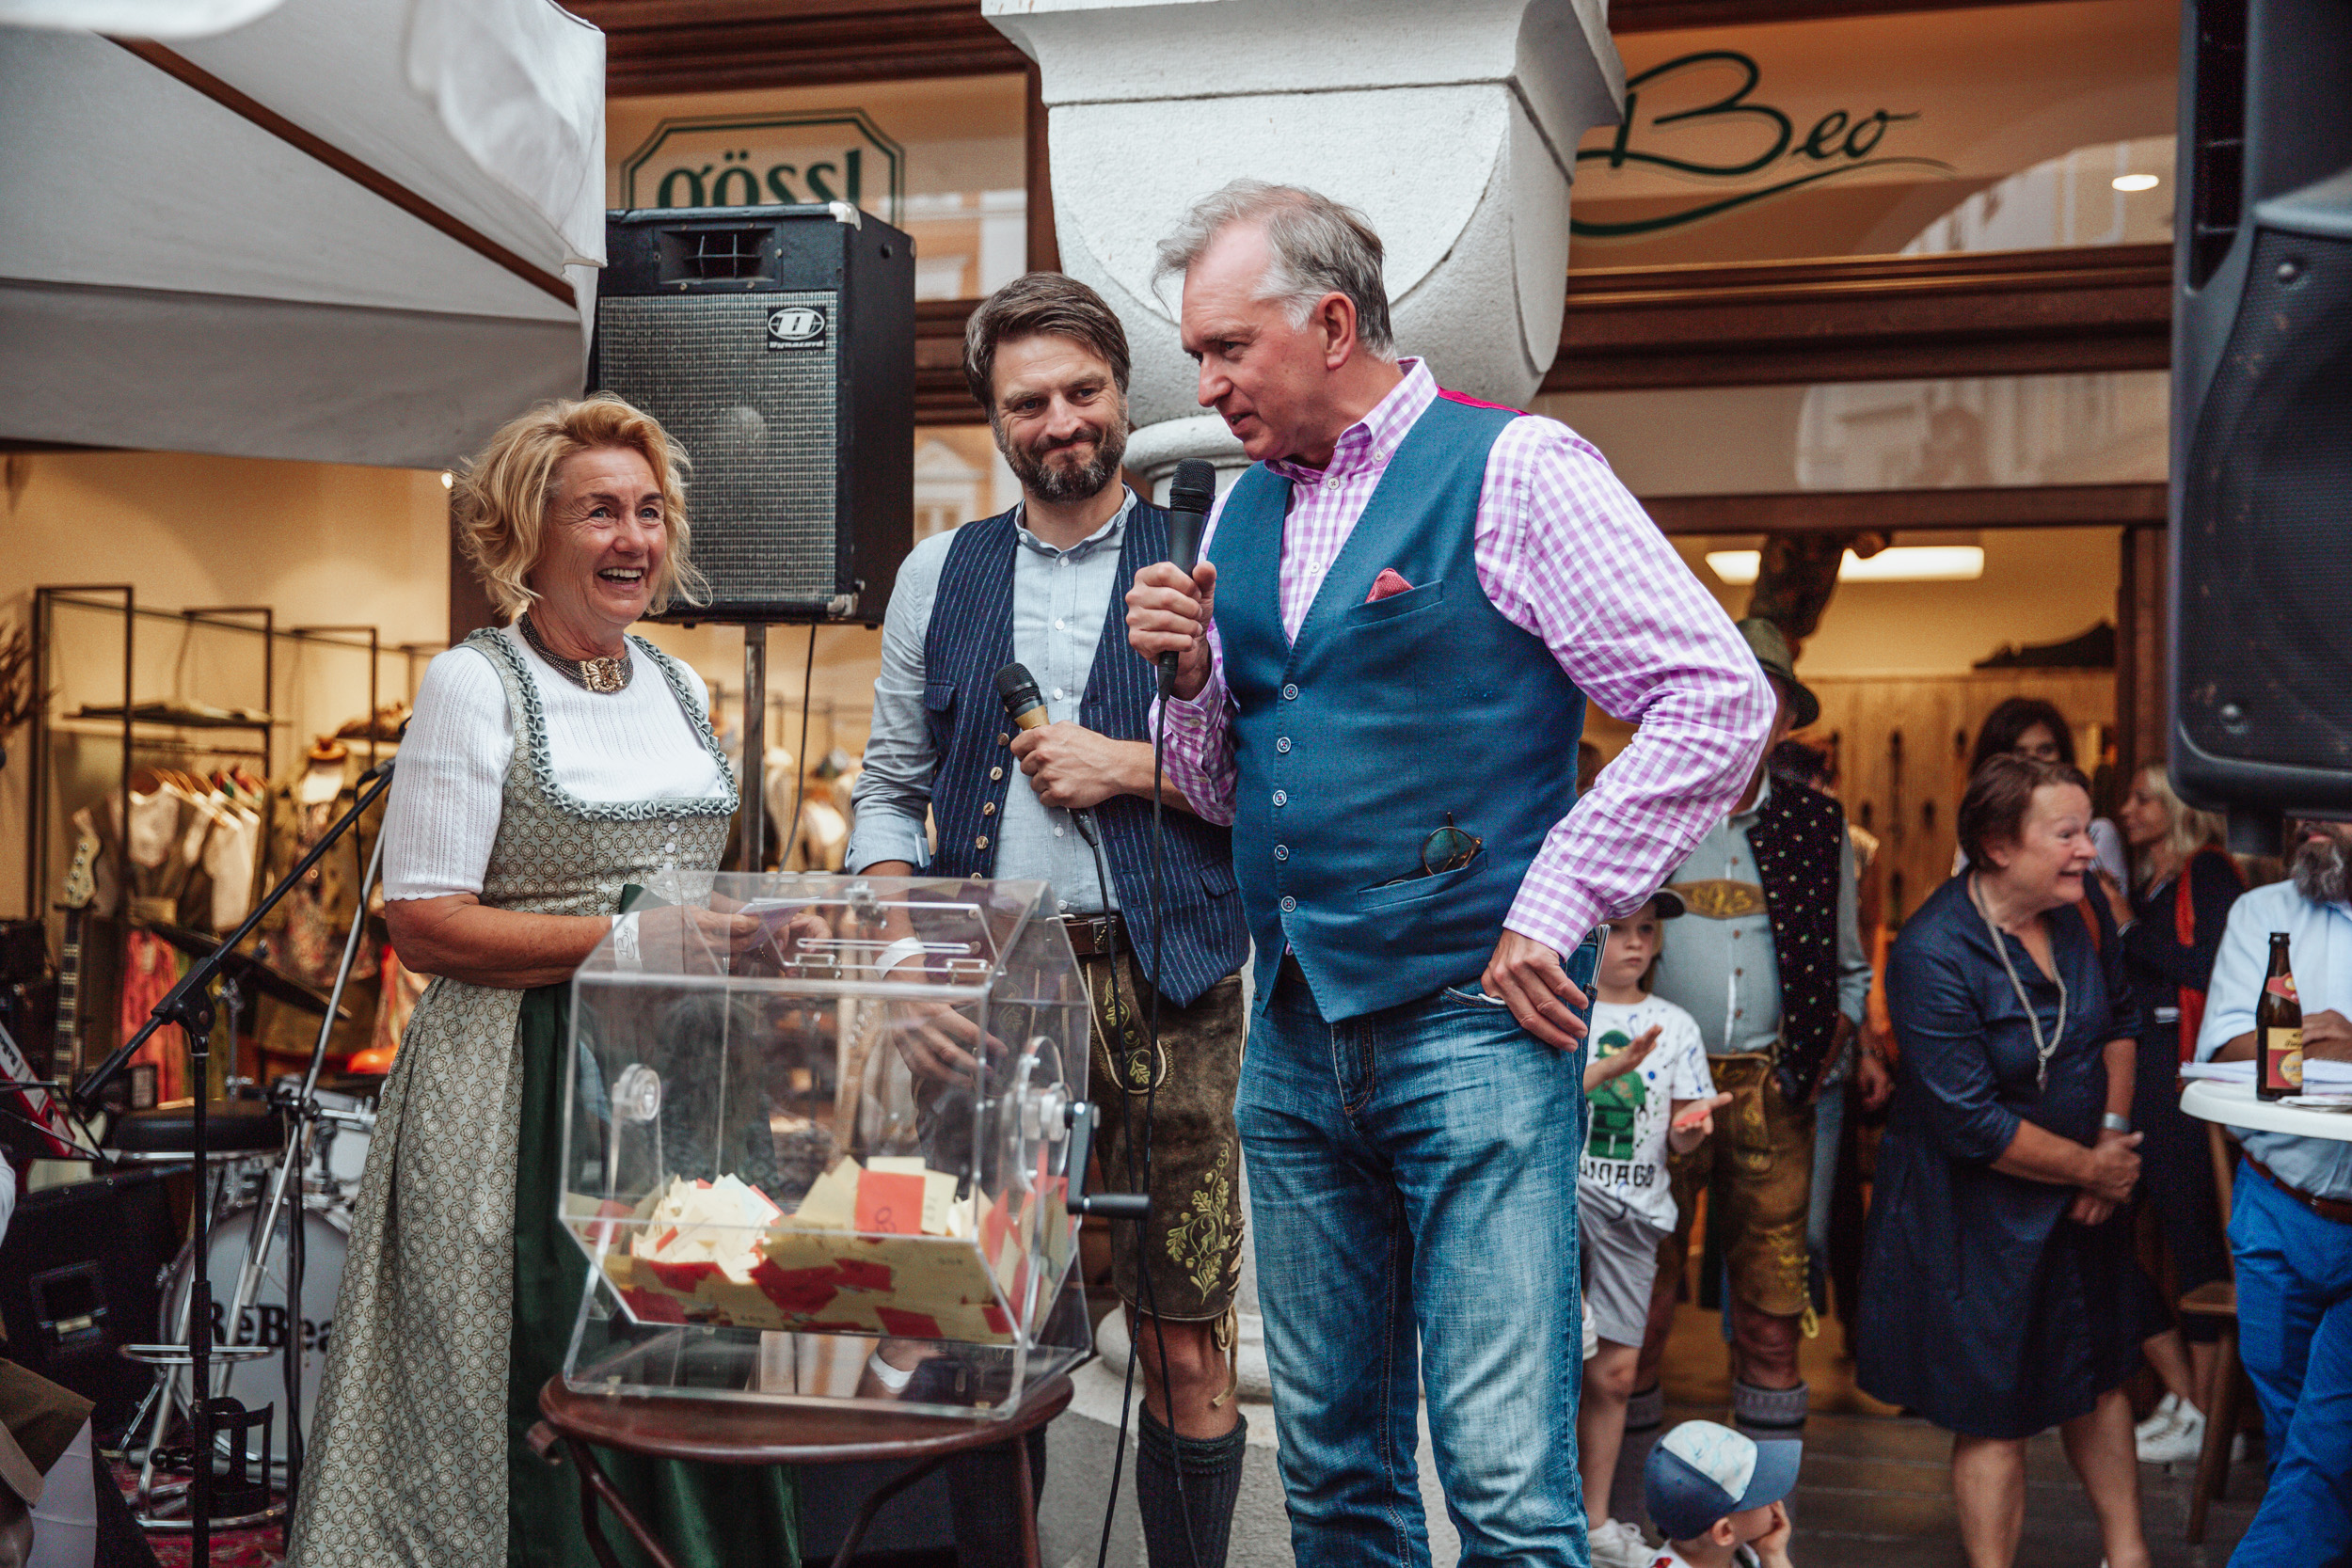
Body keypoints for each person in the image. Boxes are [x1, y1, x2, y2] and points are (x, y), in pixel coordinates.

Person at [1125, 180, 1775, 1566]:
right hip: (1294, 1031)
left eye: (1227, 347)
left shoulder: (1518, 468)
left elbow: (1717, 698)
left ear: (1332, 324)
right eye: (1197, 354)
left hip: (1473, 1029)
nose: (1207, 383)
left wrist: (1556, 904)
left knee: (1503, 1491)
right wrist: (1186, 685)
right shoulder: (1235, 517)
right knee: (1333, 1475)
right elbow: (1227, 789)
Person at [290, 396, 797, 1568]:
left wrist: (746, 932)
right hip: (519, 1078)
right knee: (542, 1348)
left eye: (649, 512)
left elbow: (685, 894)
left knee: (685, 1335)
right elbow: (423, 922)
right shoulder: (474, 683)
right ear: (530, 531)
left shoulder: (678, 683)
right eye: (599, 512)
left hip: (671, 1077)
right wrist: (627, 939)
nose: (633, 538)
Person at [847, 272, 1253, 1568]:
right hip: (990, 989)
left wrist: (1126, 764)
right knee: (985, 1325)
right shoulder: (938, 573)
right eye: (1029, 401)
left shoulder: (1218, 554)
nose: (1062, 419)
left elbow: (1286, 776)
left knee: (1183, 1335)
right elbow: (886, 789)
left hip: (1174, 979)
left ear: (1124, 393)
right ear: (994, 420)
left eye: (1084, 390)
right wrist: (904, 958)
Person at [1855, 754, 2160, 1568]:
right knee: (1996, 1407)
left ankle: (2129, 1555)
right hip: (1976, 1215)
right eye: (2066, 834)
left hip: (2086, 1192)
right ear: (1997, 844)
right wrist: (2091, 1169)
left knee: (2098, 1376)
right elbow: (1972, 1123)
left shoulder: (2083, 908)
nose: (2089, 849)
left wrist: (2111, 1137)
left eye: (2086, 830)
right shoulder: (1932, 950)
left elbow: (2120, 1022)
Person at [1632, 620, 1873, 1448]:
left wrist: (1813, 1063)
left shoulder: (1819, 825)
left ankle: (1767, 1514)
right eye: (1730, 692)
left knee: (1774, 1324)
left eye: (1764, 700)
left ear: (1784, 720)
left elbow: (1850, 970)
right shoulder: (1649, 811)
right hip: (1655, 1093)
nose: (1746, 714)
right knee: (1638, 1316)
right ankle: (1621, 1507)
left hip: (1776, 1091)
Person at [2194, 817, 2352, 1564]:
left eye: (2335, 804)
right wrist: (2321, 1037)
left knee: (2322, 1450)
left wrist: (2323, 1038)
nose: (2310, 821)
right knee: (2296, 1438)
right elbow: (2226, 1047)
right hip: (2275, 1205)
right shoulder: (2262, 913)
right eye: (2302, 803)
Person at [1578, 893, 1728, 1568]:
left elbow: (1683, 1132)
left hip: (1637, 1214)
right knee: (1558, 1360)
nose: (1636, 943)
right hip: (1568, 1200)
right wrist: (1607, 1069)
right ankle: (1545, 1511)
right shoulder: (1569, 1007)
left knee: (1615, 1374)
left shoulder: (1677, 1025)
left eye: (1647, 930)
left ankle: (1595, 1523)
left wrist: (1690, 1130)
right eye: (1619, 930)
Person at [2114, 763, 2241, 1464]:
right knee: (2109, 1241)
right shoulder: (2153, 882)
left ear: (2177, 807)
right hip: (2149, 1083)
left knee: (2194, 1247)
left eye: (2143, 798)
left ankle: (2208, 1417)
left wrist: (2129, 928)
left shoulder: (2209, 872)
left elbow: (2218, 970)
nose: (2127, 809)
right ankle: (2190, 1399)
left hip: (2185, 1087)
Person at [1963, 697, 2129, 892]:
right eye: (2019, 753)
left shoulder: (2098, 835)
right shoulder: (1985, 836)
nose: (2033, 761)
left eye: (2045, 750)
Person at [1641, 1420, 1799, 1568]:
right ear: (1725, 1531)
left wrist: (1773, 1556)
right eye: (1763, 1495)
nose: (1777, 1501)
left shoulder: (1738, 1555)